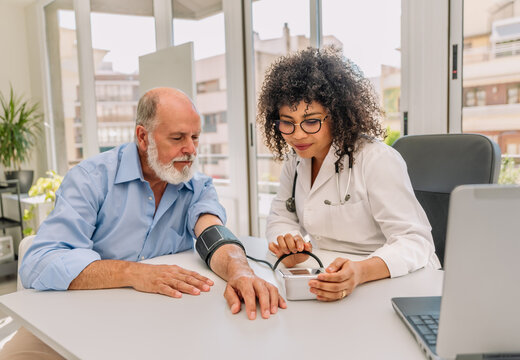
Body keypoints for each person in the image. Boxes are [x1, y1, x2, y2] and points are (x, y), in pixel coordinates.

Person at [1, 88, 285, 359]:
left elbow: (211, 231)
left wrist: (240, 271)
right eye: (177, 138)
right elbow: (39, 262)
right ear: (143, 136)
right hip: (75, 313)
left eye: (195, 137)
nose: (190, 150)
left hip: (159, 322)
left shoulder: (196, 184)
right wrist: (135, 273)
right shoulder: (90, 179)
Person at [258, 47, 441, 302]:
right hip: (328, 276)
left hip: (394, 283)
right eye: (287, 122)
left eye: (311, 121)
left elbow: (415, 241)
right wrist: (290, 244)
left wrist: (360, 272)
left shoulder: (376, 159)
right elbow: (281, 217)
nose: (297, 134)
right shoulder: (296, 161)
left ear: (337, 115)